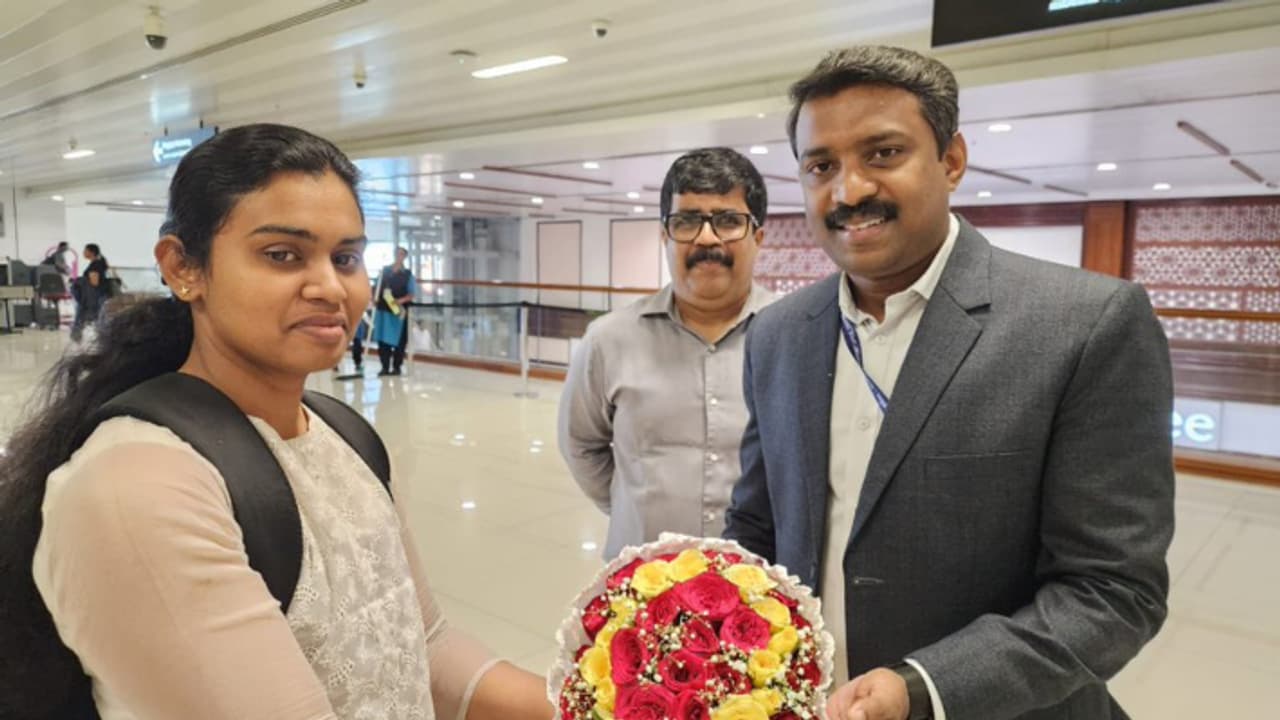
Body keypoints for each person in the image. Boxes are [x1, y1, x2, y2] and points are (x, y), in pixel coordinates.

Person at [0, 124, 550, 720]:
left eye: (345, 257)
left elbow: (427, 649)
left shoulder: (343, 434)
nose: (329, 286)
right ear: (184, 266)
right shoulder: (137, 485)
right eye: (282, 255)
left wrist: (592, 702)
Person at [723, 46, 1174, 720]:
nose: (848, 192)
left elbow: (1112, 591)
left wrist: (926, 689)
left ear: (952, 160)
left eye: (882, 153)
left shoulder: (1086, 325)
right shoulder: (778, 333)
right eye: (821, 166)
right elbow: (757, 526)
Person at [558, 147, 775, 559]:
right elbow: (581, 446)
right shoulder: (608, 340)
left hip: (760, 594)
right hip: (641, 586)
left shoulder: (794, 338)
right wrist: (632, 506)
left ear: (758, 237)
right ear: (664, 235)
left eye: (728, 221)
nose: (707, 238)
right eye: (687, 221)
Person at [373, 246, 414, 376]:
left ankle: (397, 367)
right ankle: (384, 366)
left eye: (402, 254)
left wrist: (399, 301)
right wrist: (373, 298)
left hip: (398, 311)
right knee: (383, 339)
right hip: (384, 309)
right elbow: (376, 287)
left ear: (405, 257)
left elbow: (411, 294)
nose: (399, 256)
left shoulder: (407, 274)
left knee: (399, 341)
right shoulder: (385, 271)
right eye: (397, 254)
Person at [69, 243, 110, 342]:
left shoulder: (95, 265)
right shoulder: (100, 262)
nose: (83, 253)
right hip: (100, 296)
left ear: (91, 252)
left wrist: (81, 280)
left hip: (93, 296)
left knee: (93, 318)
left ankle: (77, 338)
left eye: (85, 250)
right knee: (100, 320)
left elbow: (94, 283)